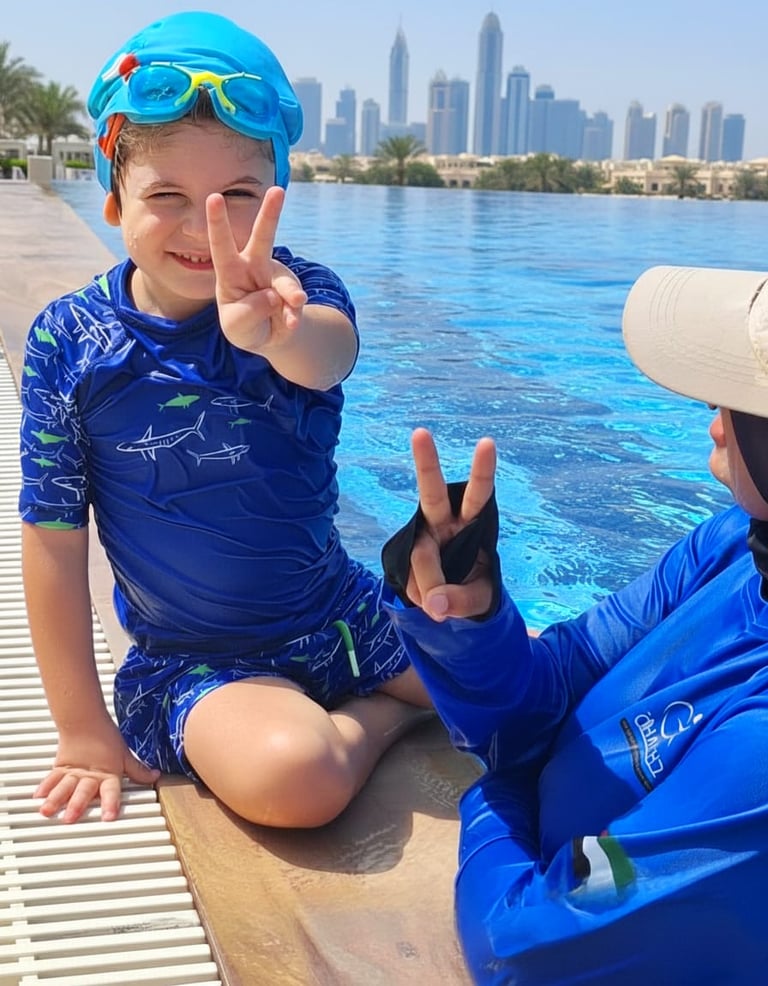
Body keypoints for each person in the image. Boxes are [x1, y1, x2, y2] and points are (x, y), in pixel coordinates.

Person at [19, 10, 430, 830]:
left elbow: (329, 355)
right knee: (296, 780)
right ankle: (390, 716)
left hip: (340, 615)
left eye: (238, 196)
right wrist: (81, 730)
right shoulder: (71, 343)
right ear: (112, 202)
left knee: (518, 686)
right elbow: (54, 542)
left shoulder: (299, 296)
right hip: (200, 662)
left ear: (278, 197)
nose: (207, 228)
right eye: (166, 195)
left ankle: (402, 694)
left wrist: (278, 334)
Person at [380, 264, 768, 984]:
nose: (715, 408)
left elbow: (530, 945)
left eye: (743, 394)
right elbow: (557, 683)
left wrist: (497, 806)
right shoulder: (732, 549)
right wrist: (471, 617)